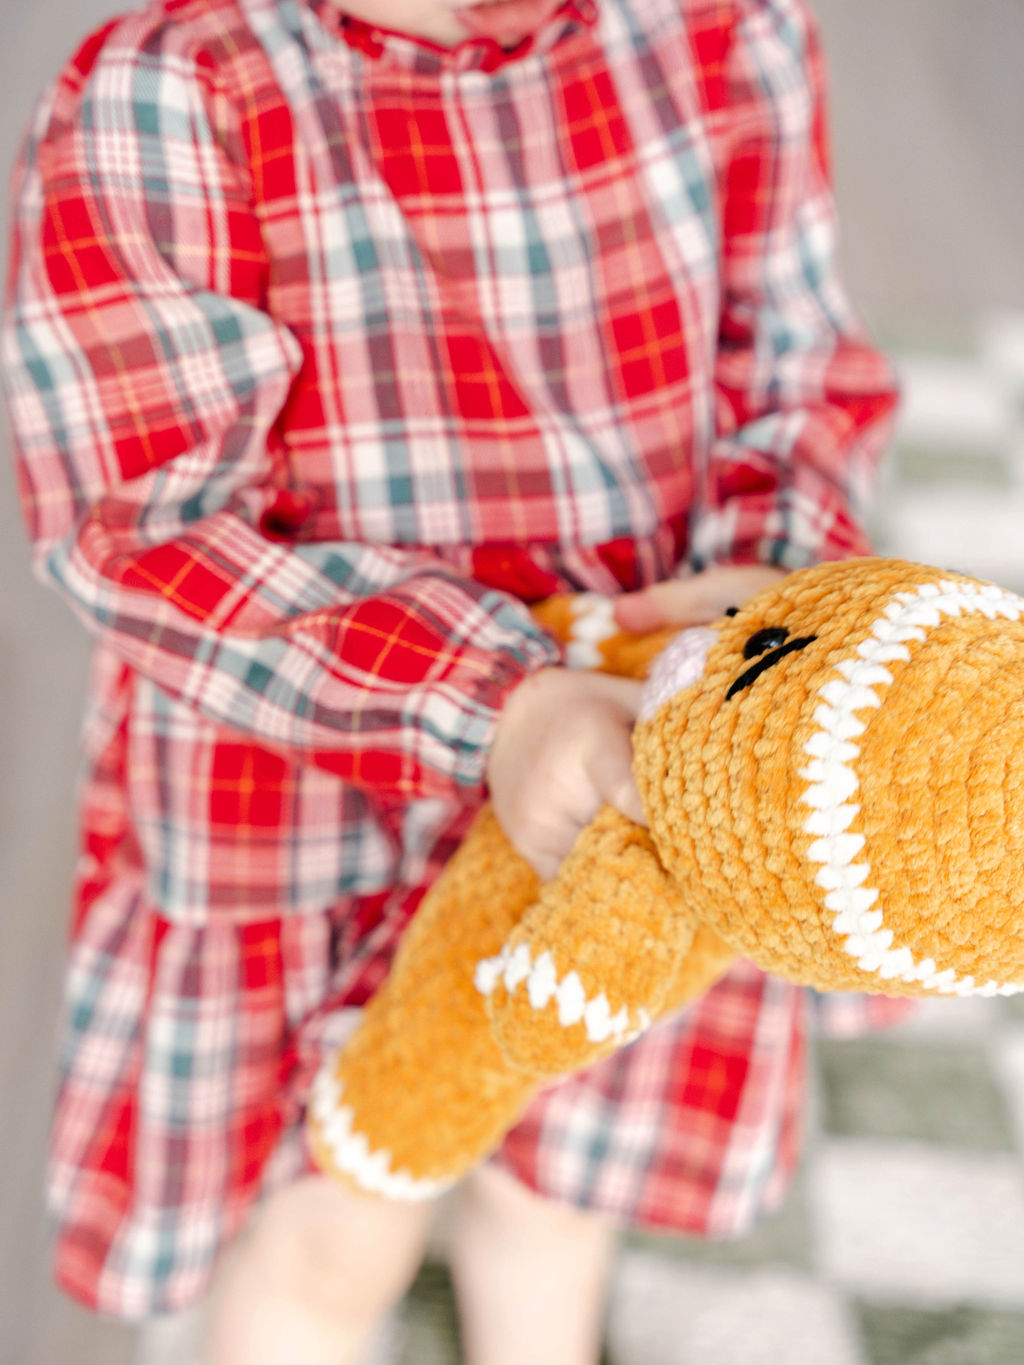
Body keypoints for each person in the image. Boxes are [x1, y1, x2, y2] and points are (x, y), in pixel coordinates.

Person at [2, 0, 907, 1360]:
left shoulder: (727, 29)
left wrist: (769, 583)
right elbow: (143, 527)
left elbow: (795, 371)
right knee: (332, 1234)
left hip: (635, 792)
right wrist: (499, 698)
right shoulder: (175, 90)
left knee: (557, 1200)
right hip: (318, 817)